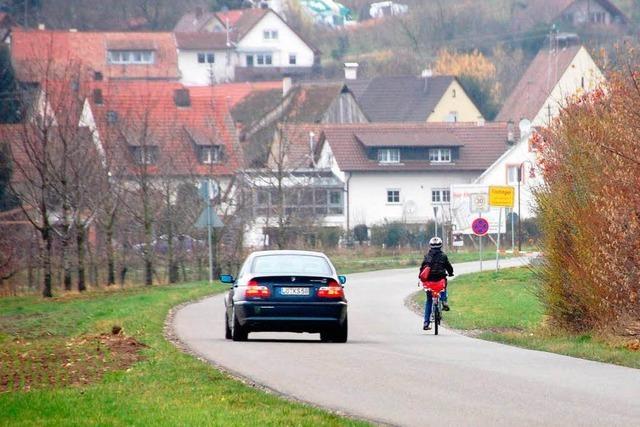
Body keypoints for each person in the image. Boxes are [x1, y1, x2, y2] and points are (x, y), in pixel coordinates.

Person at [419, 236, 454, 330]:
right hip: (440, 280)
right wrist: (450, 273)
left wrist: (420, 277)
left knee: (429, 300)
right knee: (443, 285)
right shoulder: (443, 256)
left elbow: (422, 269)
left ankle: (426, 323)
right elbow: (449, 267)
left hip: (429, 281)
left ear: (430, 246)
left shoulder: (427, 256)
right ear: (440, 245)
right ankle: (444, 300)